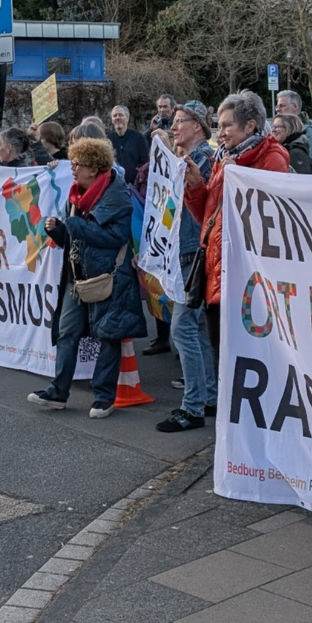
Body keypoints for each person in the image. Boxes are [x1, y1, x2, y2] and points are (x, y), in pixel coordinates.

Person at [27, 137, 146, 418]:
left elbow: (114, 237)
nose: (73, 169)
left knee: (108, 336)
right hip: (78, 276)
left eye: (78, 164)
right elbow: (75, 235)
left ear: (94, 168)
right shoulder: (77, 193)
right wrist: (58, 230)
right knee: (67, 332)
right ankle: (58, 392)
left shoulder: (116, 195)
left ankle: (104, 397)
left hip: (109, 277)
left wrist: (75, 224)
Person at [184, 91, 290, 357]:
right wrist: (196, 186)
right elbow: (208, 219)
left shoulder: (271, 159)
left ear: (250, 125)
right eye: (219, 126)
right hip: (217, 274)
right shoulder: (225, 158)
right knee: (223, 357)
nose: (220, 133)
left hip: (247, 280)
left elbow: (269, 223)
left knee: (246, 360)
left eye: (227, 125)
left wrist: (239, 179)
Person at [155, 101, 218, 431]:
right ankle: (209, 397)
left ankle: (192, 407)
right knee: (195, 329)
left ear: (198, 126)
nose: (174, 126)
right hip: (185, 252)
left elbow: (199, 205)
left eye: (180, 121)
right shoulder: (187, 159)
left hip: (195, 254)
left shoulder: (204, 160)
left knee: (182, 328)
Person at [276, 90, 312, 162]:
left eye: (282, 106)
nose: (277, 109)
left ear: (294, 107)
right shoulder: (280, 129)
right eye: (277, 106)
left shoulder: (307, 131)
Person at [108, 105, 148, 185]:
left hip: (135, 187)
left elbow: (145, 163)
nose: (117, 117)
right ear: (112, 120)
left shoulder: (139, 138)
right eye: (115, 116)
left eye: (120, 115)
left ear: (127, 118)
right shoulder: (107, 140)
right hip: (113, 186)